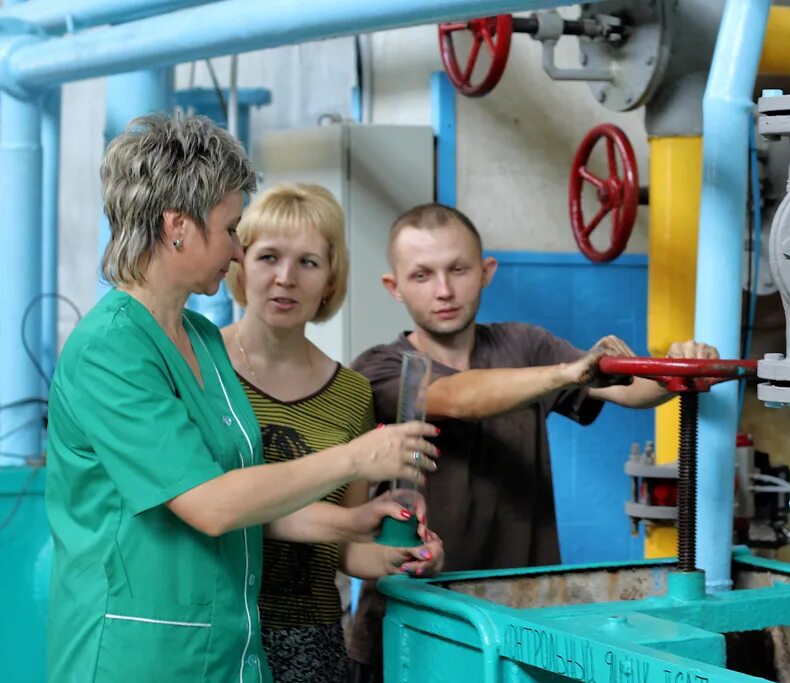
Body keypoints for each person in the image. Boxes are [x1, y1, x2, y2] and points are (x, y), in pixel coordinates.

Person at [45, 115, 439, 683]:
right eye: (231, 229)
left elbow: (247, 501)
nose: (236, 250)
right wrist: (356, 458)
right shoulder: (110, 350)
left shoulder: (201, 340)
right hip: (136, 652)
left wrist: (353, 520)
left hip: (225, 647)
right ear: (177, 226)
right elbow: (211, 505)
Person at [347, 203, 717, 680]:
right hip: (411, 621)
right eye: (422, 275)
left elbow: (630, 391)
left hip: (518, 617)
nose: (443, 290)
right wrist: (567, 372)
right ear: (393, 287)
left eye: (458, 269)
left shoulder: (525, 345)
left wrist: (679, 368)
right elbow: (457, 398)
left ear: (486, 272)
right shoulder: (379, 368)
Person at [223, 182, 444, 682]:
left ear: (329, 279)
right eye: (268, 257)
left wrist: (401, 554)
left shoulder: (350, 394)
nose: (285, 278)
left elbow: (345, 545)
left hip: (313, 641)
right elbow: (203, 507)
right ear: (239, 263)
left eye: (307, 262)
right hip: (218, 631)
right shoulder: (202, 370)